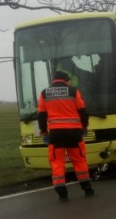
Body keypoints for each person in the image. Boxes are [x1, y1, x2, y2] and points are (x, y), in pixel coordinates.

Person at [38, 70, 95, 202]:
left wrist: (44, 132)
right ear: (66, 80)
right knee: (79, 160)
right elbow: (82, 111)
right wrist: (84, 126)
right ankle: (87, 189)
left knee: (57, 163)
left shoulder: (44, 93)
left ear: (54, 80)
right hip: (74, 133)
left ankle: (62, 194)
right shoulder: (74, 91)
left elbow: (41, 115)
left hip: (56, 134)